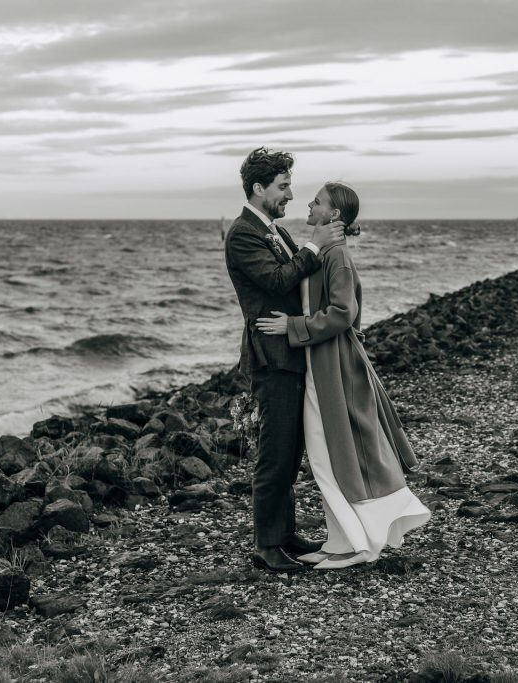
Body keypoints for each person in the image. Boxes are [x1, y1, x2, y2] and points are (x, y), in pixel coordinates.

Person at [256, 182, 430, 569]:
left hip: (333, 365)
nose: (309, 204)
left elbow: (342, 314)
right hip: (320, 365)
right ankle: (340, 541)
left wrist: (292, 326)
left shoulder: (337, 257)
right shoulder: (324, 252)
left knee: (333, 456)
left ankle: (358, 544)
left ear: (334, 215)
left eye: (316, 202)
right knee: (324, 456)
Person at [224, 147, 345, 573]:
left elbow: (299, 279)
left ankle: (285, 533)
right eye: (283, 186)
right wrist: (314, 245)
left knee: (291, 451)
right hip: (270, 356)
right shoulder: (243, 233)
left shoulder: (273, 230)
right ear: (259, 188)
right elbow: (277, 279)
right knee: (274, 453)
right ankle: (266, 545)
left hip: (289, 350)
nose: (290, 195)